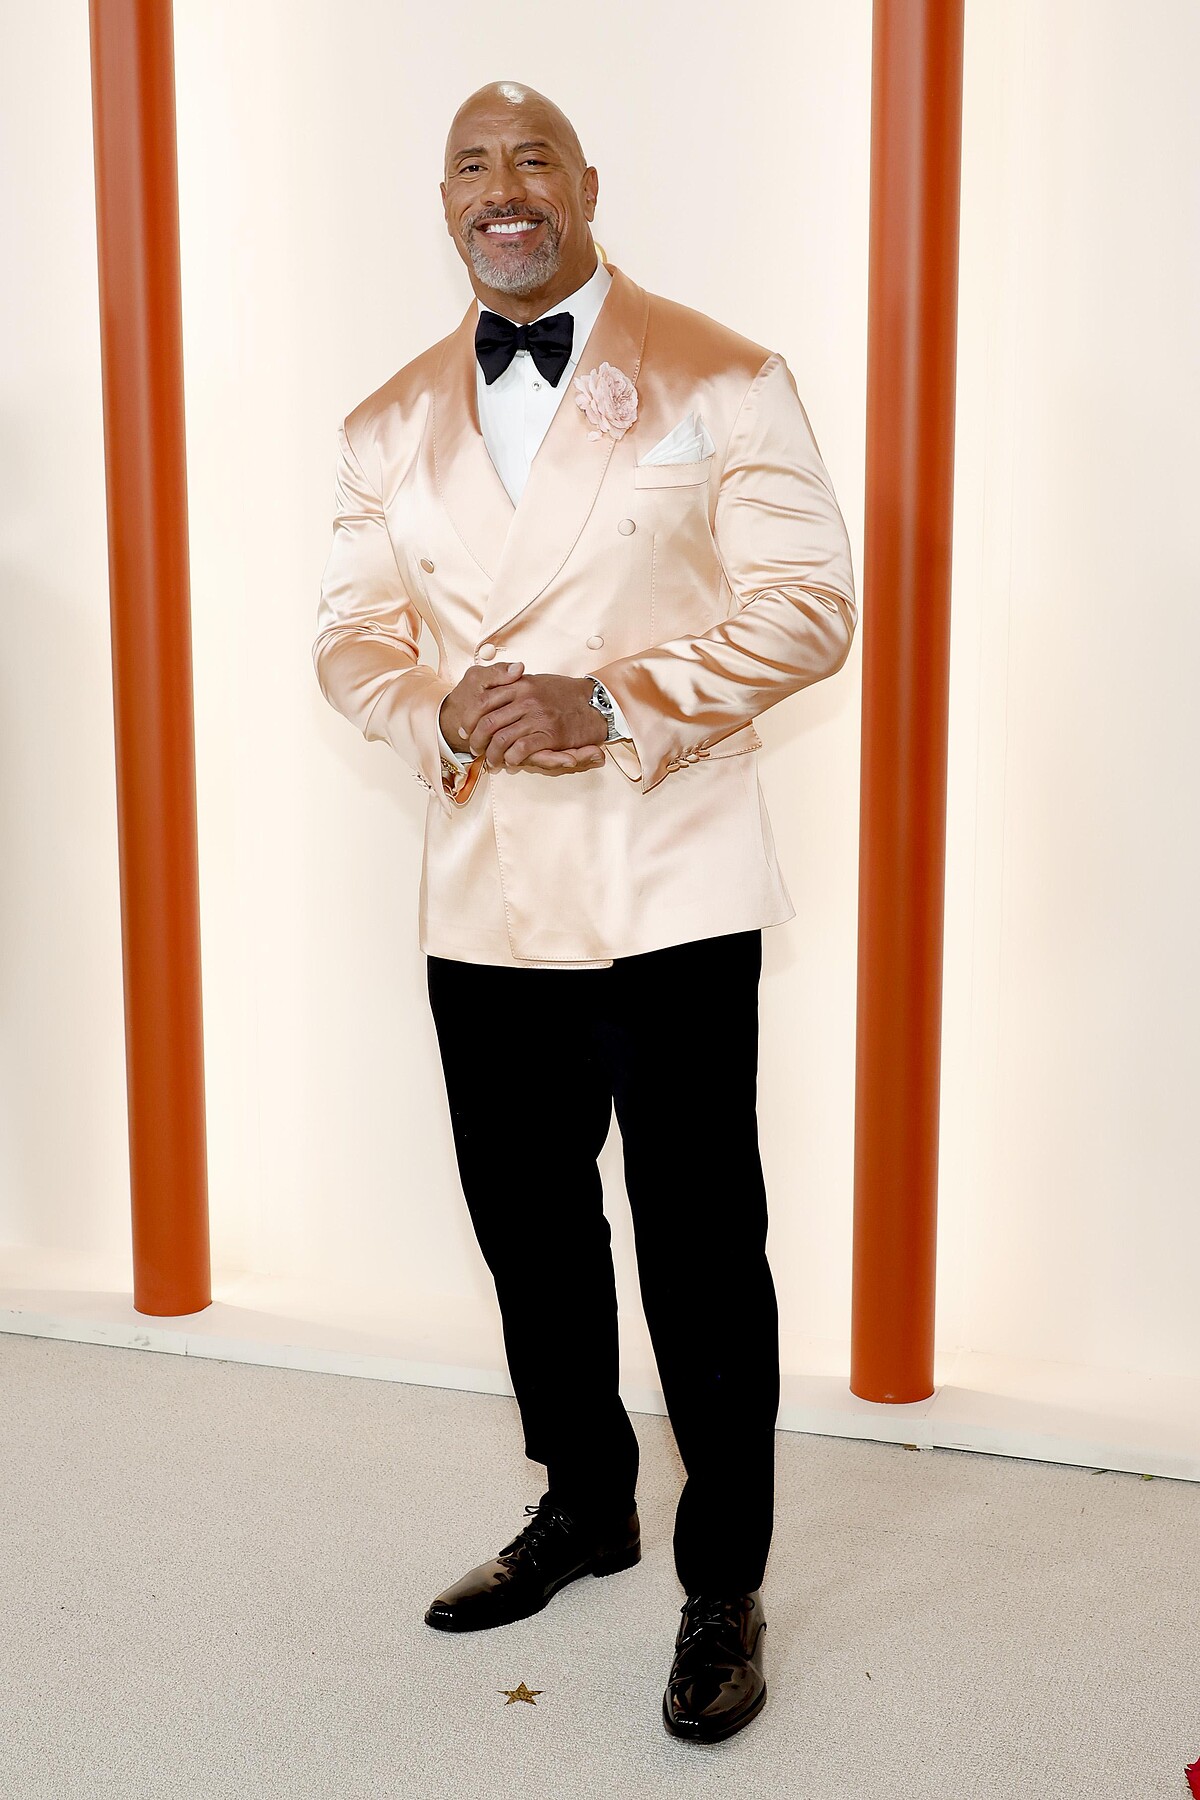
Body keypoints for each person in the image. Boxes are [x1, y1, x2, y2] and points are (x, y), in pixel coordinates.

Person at [312, 77, 856, 1744]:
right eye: (471, 166)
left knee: (702, 1248)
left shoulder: (722, 372)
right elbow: (350, 633)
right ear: (446, 204)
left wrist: (608, 701)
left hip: (667, 879)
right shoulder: (385, 421)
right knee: (528, 1228)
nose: (503, 188)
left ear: (587, 184)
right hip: (481, 891)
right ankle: (584, 1500)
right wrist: (438, 711)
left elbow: (812, 604)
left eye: (531, 158)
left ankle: (723, 1579)